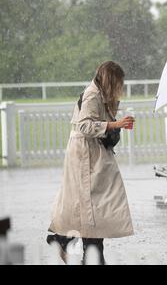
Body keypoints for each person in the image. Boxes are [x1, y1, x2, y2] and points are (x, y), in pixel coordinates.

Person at [46, 61, 135, 265]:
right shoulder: (92, 94)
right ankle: (91, 254)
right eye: (119, 83)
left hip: (94, 154)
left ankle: (65, 241)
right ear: (111, 80)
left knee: (94, 206)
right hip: (86, 155)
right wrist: (115, 124)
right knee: (93, 206)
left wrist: (114, 121)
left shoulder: (100, 95)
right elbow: (84, 125)